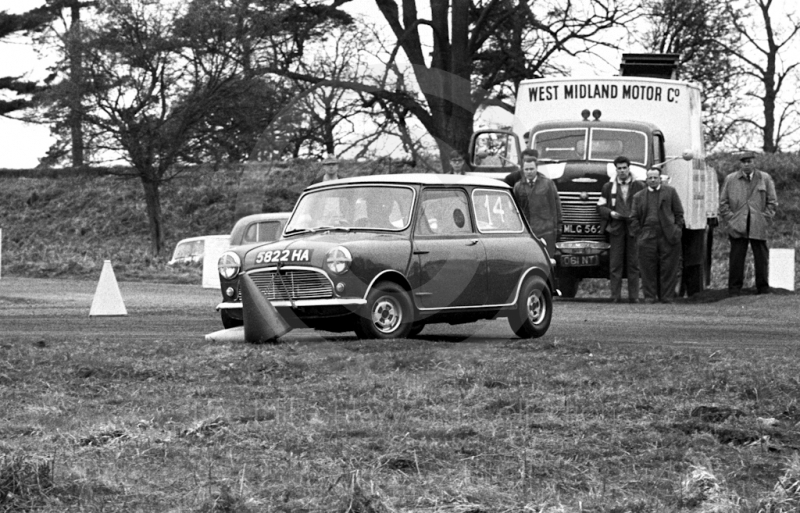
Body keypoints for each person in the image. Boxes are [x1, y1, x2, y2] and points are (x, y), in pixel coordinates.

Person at [719, 151, 778, 295]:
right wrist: (731, 219)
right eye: (743, 162)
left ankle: (763, 288)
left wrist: (765, 218)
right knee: (736, 258)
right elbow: (723, 202)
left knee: (761, 258)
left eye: (749, 161)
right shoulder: (730, 179)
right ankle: (734, 290)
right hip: (738, 225)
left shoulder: (765, 178)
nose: (746, 164)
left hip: (758, 224)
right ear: (740, 163)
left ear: (754, 162)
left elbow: (772, 201)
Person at [630, 169, 684, 303]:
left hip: (668, 235)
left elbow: (679, 213)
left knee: (668, 268)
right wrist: (640, 234)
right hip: (647, 235)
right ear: (646, 180)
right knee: (647, 268)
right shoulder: (638, 196)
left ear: (660, 179)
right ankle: (649, 297)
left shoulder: (670, 192)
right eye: (650, 178)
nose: (653, 180)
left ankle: (667, 297)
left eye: (655, 177)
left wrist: (676, 230)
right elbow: (633, 217)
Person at [597, 156, 646, 303]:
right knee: (615, 264)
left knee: (633, 263)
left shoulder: (639, 186)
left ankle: (634, 296)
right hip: (616, 228)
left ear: (629, 168)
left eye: (625, 167)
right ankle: (615, 296)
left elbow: (645, 206)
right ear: (616, 169)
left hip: (633, 229)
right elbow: (600, 207)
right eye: (619, 168)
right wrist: (611, 213)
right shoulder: (608, 187)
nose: (622, 171)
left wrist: (636, 216)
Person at [513, 148, 562, 251]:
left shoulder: (547, 184)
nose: (529, 172)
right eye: (526, 169)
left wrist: (558, 226)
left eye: (532, 169)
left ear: (536, 168)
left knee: (548, 259)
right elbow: (514, 210)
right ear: (522, 170)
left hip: (546, 230)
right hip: (528, 231)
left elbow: (555, 206)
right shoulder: (518, 186)